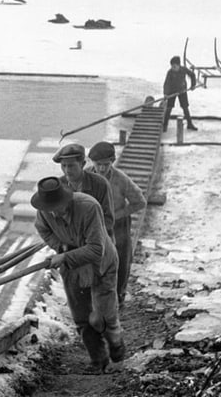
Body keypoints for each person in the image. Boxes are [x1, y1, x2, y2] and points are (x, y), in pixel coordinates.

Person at [31, 176, 126, 372]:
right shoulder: (44, 211)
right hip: (73, 267)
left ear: (67, 198)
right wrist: (60, 246)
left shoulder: (88, 207)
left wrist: (64, 256)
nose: (56, 211)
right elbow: (43, 230)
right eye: (51, 208)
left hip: (101, 263)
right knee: (82, 317)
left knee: (103, 316)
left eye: (59, 206)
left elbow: (95, 249)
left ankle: (116, 343)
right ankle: (98, 360)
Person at [87, 141, 147, 307]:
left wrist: (117, 215)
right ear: (92, 163)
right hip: (93, 226)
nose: (101, 169)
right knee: (93, 259)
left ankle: (119, 295)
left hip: (117, 226)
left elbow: (140, 202)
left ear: (112, 161)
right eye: (98, 165)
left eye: (106, 165)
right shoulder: (85, 177)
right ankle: (94, 296)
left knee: (120, 260)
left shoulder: (121, 179)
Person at [53, 143, 114, 239]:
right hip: (72, 242)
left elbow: (108, 220)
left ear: (83, 164)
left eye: (71, 166)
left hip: (98, 241)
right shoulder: (59, 185)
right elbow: (56, 219)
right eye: (63, 166)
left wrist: (90, 237)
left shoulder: (100, 184)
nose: (67, 170)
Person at [162, 55, 197, 132]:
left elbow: (192, 75)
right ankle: (165, 125)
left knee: (185, 107)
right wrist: (165, 93)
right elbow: (166, 83)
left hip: (182, 91)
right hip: (172, 92)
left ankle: (189, 124)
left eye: (174, 66)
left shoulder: (183, 69)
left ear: (178, 65)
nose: (173, 68)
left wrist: (193, 85)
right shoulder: (170, 72)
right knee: (169, 108)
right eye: (172, 66)